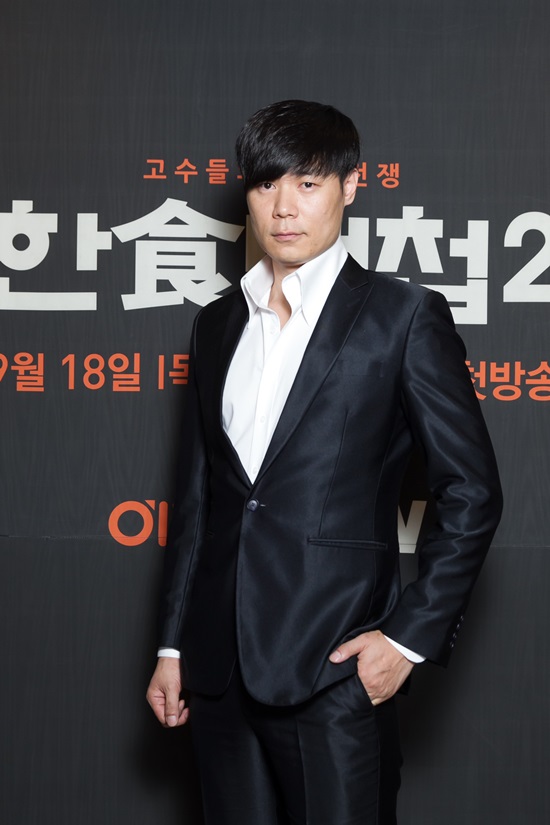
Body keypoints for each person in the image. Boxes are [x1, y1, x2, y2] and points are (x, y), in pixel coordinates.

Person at [146, 100, 502, 825]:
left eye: (307, 183)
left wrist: (407, 638)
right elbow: (199, 501)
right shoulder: (216, 323)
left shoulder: (403, 316)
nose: (284, 207)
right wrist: (174, 644)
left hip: (335, 669)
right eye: (266, 184)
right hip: (216, 673)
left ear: (351, 184)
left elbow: (471, 490)